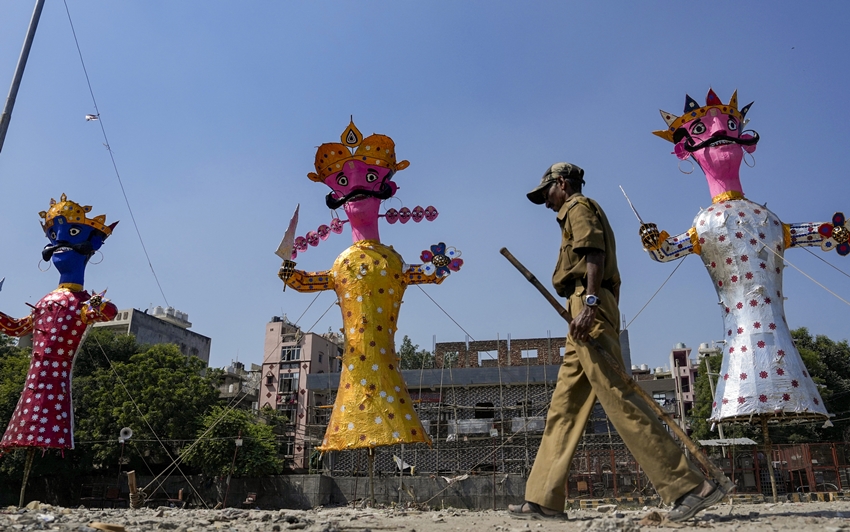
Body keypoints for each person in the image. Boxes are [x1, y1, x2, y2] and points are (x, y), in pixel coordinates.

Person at [507, 163, 722, 522]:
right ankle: (543, 498)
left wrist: (591, 304)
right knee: (565, 407)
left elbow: (594, 254)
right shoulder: (572, 210)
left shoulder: (577, 207)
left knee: (619, 397)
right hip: (581, 309)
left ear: (562, 184)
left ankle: (690, 487)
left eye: (547, 192)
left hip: (587, 307)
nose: (546, 201)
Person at [0, 194, 118, 452]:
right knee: (25, 429)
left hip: (56, 385)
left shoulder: (81, 302)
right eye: (54, 236)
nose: (60, 241)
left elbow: (108, 312)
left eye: (72, 232)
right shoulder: (46, 301)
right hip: (32, 385)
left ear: (93, 243)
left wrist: (98, 305)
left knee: (48, 427)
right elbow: (18, 328)